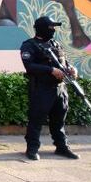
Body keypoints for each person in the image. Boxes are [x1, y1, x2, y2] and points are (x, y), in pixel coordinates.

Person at [20, 15, 79, 160]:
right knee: (36, 120)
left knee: (59, 120)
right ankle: (32, 149)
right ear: (41, 28)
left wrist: (72, 69)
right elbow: (29, 66)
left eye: (54, 27)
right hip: (42, 89)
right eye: (50, 27)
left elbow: (64, 62)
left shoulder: (56, 44)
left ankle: (62, 147)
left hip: (60, 89)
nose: (53, 30)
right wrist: (50, 70)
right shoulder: (29, 45)